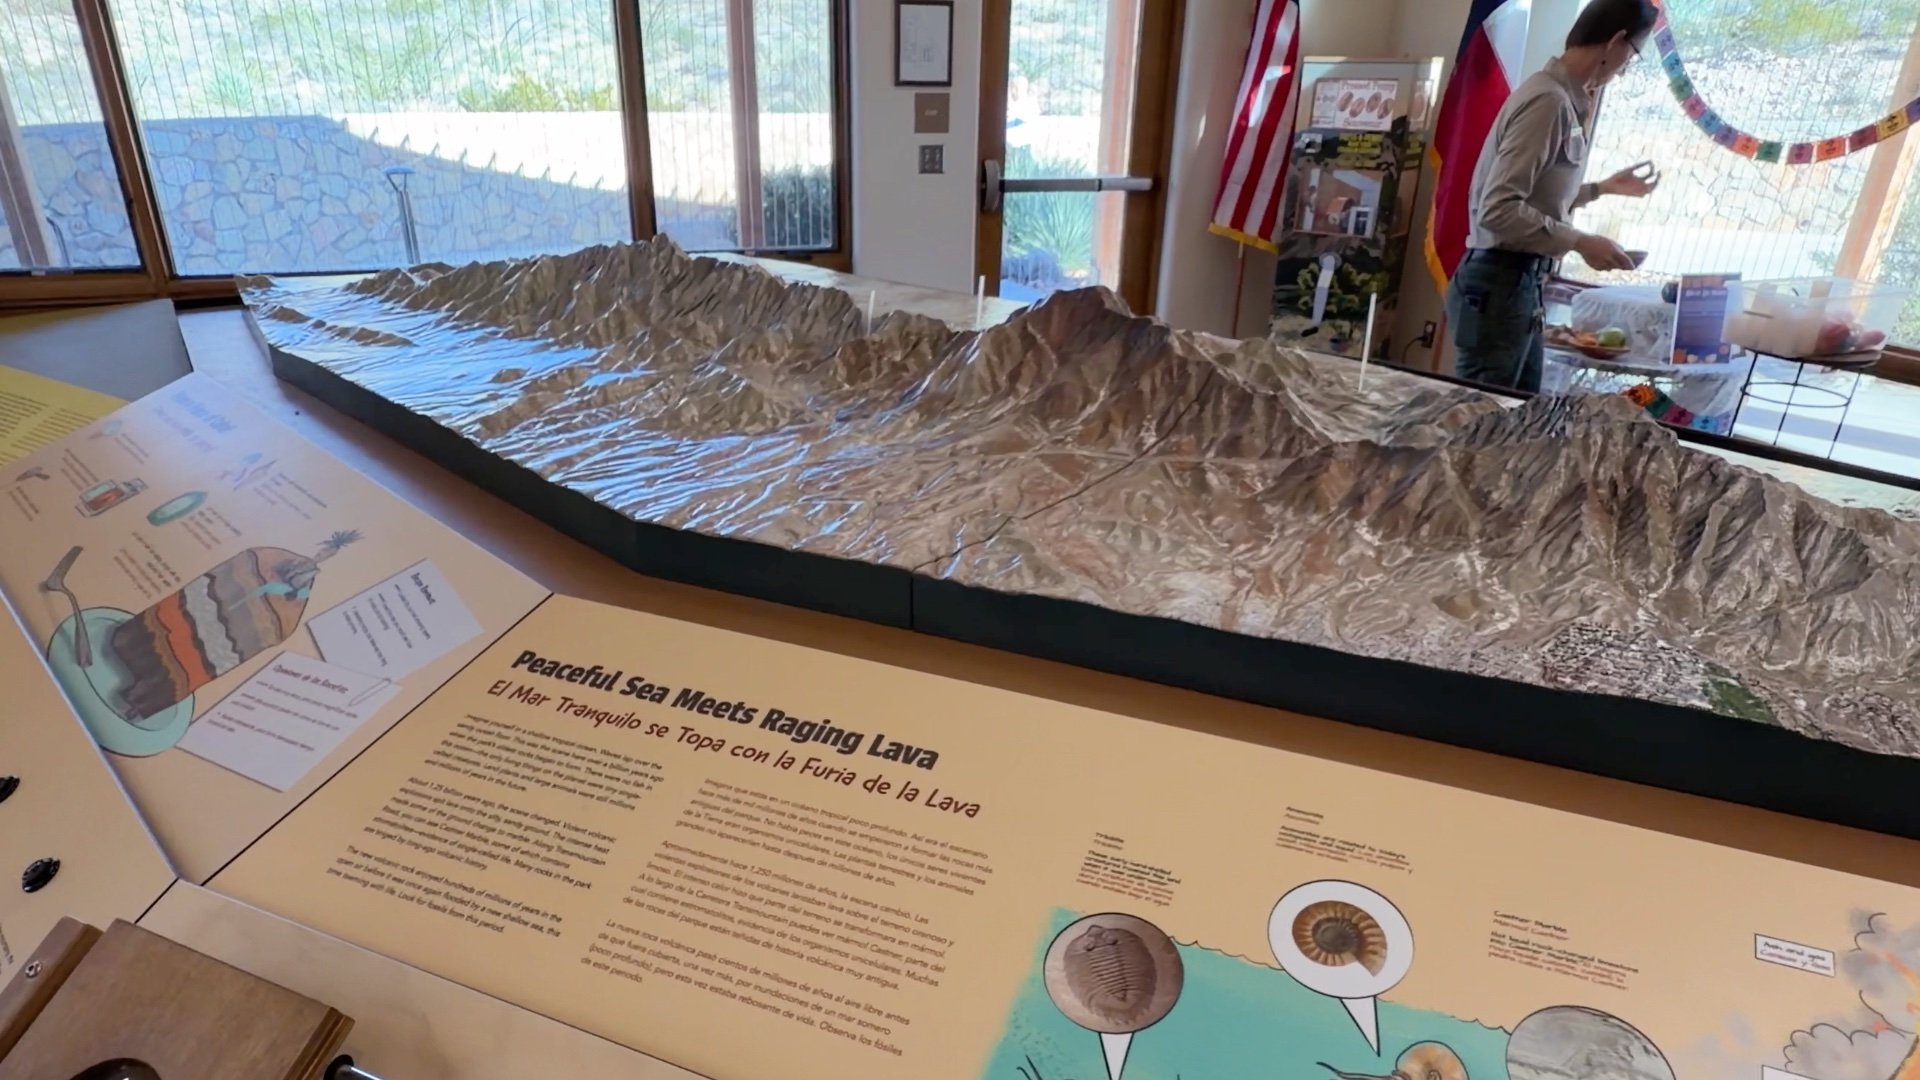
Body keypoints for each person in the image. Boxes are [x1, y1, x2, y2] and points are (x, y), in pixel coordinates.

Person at [1447, 0, 1663, 393]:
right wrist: (1580, 242)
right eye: (1632, 56)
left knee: (1518, 422)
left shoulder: (1562, 99)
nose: (1626, 68)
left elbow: (1531, 197)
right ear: (1615, 41)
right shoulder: (1548, 102)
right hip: (1499, 284)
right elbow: (1499, 209)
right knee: (1485, 428)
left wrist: (1601, 189)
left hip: (1517, 287)